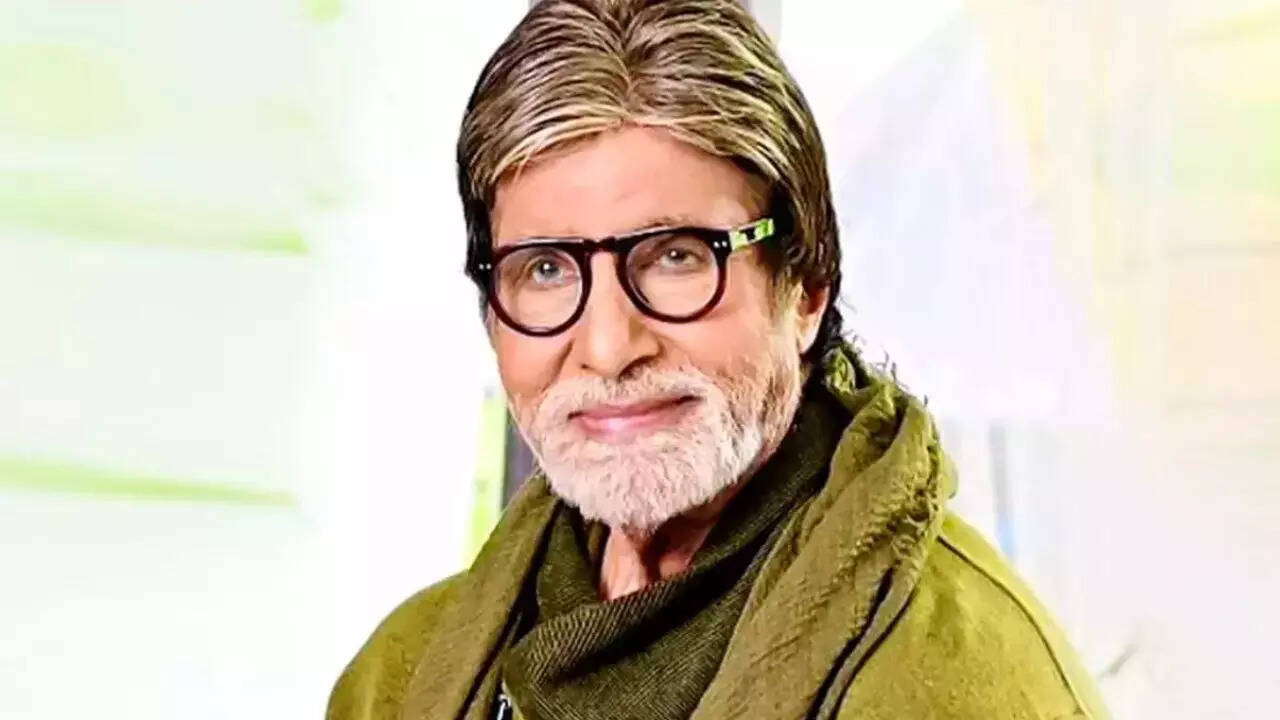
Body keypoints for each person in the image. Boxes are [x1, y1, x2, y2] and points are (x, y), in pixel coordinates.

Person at [327, 1, 1109, 718]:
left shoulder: (958, 682)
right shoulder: (403, 677)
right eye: (546, 269)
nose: (608, 348)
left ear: (805, 288)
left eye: (677, 257)